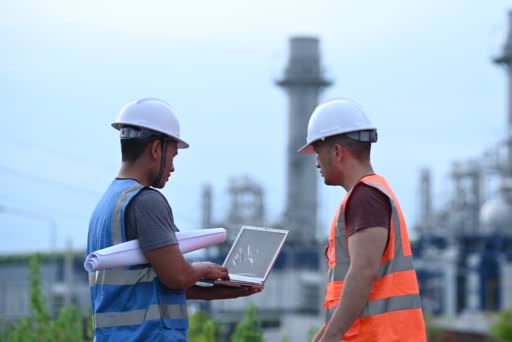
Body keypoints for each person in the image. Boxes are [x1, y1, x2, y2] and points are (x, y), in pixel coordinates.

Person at [87, 97, 260, 341]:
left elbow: (160, 282)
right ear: (156, 149)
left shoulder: (107, 205)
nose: (173, 168)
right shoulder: (147, 202)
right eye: (173, 156)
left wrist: (218, 293)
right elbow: (176, 276)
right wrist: (205, 269)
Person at [299, 98, 426, 341]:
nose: (316, 163)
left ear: (337, 152)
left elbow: (363, 271)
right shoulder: (367, 195)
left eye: (317, 152)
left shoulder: (365, 197)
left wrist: (330, 337)